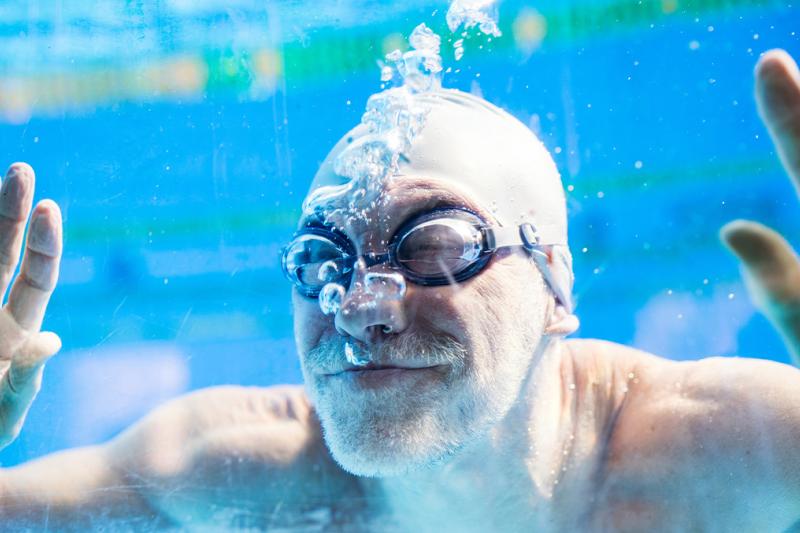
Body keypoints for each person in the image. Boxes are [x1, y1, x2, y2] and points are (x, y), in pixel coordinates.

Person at [0, 49, 799, 532]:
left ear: (556, 283)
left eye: (436, 246)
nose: (360, 303)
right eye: (321, 260)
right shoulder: (245, 471)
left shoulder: (721, 448)